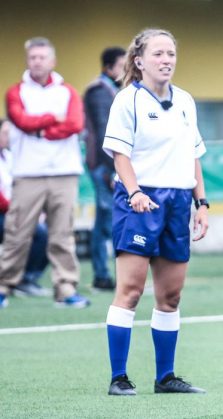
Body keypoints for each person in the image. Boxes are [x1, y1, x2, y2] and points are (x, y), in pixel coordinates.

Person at [102, 28, 209, 396]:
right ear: (139, 61)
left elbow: (193, 155)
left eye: (171, 54)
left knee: (171, 297)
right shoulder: (127, 100)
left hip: (178, 202)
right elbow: (120, 155)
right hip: (139, 202)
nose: (166, 60)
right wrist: (134, 192)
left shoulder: (185, 101)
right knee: (130, 292)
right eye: (158, 54)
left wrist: (202, 203)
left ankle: (166, 377)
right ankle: (119, 377)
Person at [0, 37, 88, 309]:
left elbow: (75, 124)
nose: (37, 62)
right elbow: (21, 121)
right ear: (27, 60)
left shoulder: (68, 92)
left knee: (63, 234)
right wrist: (51, 118)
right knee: (17, 233)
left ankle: (66, 289)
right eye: (33, 57)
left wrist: (41, 131)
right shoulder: (15, 92)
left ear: (53, 61)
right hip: (27, 172)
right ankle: (3, 286)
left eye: (42, 57)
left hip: (65, 171)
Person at [84, 46, 126, 291]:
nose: (126, 70)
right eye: (121, 66)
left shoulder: (114, 90)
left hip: (109, 165)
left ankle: (105, 275)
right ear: (108, 67)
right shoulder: (99, 91)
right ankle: (103, 275)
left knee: (106, 219)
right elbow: (103, 133)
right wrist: (113, 169)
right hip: (104, 166)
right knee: (107, 222)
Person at [0, 118, 50, 298]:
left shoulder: (10, 157)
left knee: (51, 232)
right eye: (5, 133)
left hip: (16, 211)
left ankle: (28, 278)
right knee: (39, 233)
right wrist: (25, 211)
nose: (9, 137)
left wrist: (38, 210)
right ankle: (19, 279)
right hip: (6, 213)